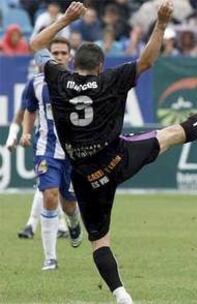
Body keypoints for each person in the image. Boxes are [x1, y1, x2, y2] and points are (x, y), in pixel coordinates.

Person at [29, 2, 197, 303]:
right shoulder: (109, 80)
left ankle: (120, 293)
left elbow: (35, 43)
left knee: (99, 241)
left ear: (74, 63)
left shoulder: (59, 80)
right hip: (117, 158)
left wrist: (67, 19)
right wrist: (162, 24)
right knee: (171, 135)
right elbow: (147, 61)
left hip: (85, 175)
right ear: (101, 65)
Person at [21, 37, 83, 270]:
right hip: (46, 149)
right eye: (54, 53)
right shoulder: (36, 83)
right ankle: (50, 258)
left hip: (73, 153)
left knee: (69, 205)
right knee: (49, 195)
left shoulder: (78, 83)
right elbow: (30, 110)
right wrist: (26, 133)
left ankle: (74, 221)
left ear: (70, 57)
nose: (58, 56)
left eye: (62, 53)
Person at [6, 62, 68, 240]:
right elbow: (21, 114)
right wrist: (14, 137)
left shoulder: (62, 85)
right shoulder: (34, 86)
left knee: (56, 189)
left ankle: (61, 223)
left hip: (64, 145)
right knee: (47, 187)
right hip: (45, 145)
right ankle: (33, 225)